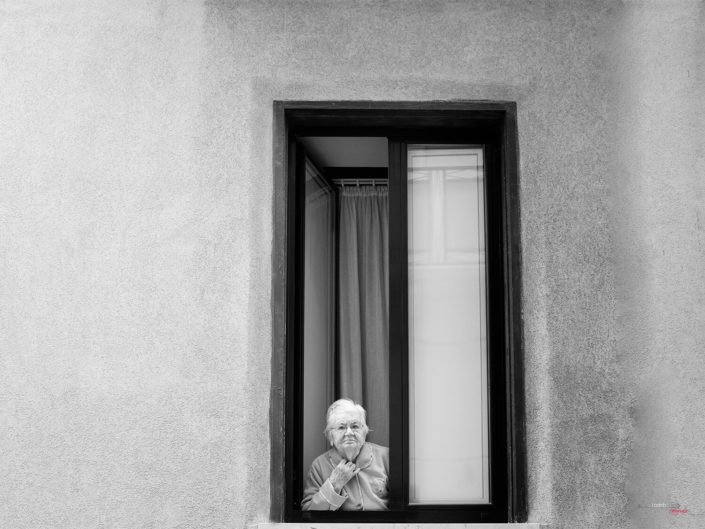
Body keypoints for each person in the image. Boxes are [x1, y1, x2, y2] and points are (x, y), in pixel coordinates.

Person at [302, 398, 389, 510]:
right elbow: (309, 513)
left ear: (364, 431)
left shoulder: (386, 457)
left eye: (355, 426)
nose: (349, 433)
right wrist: (333, 485)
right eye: (341, 427)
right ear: (330, 436)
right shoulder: (319, 466)